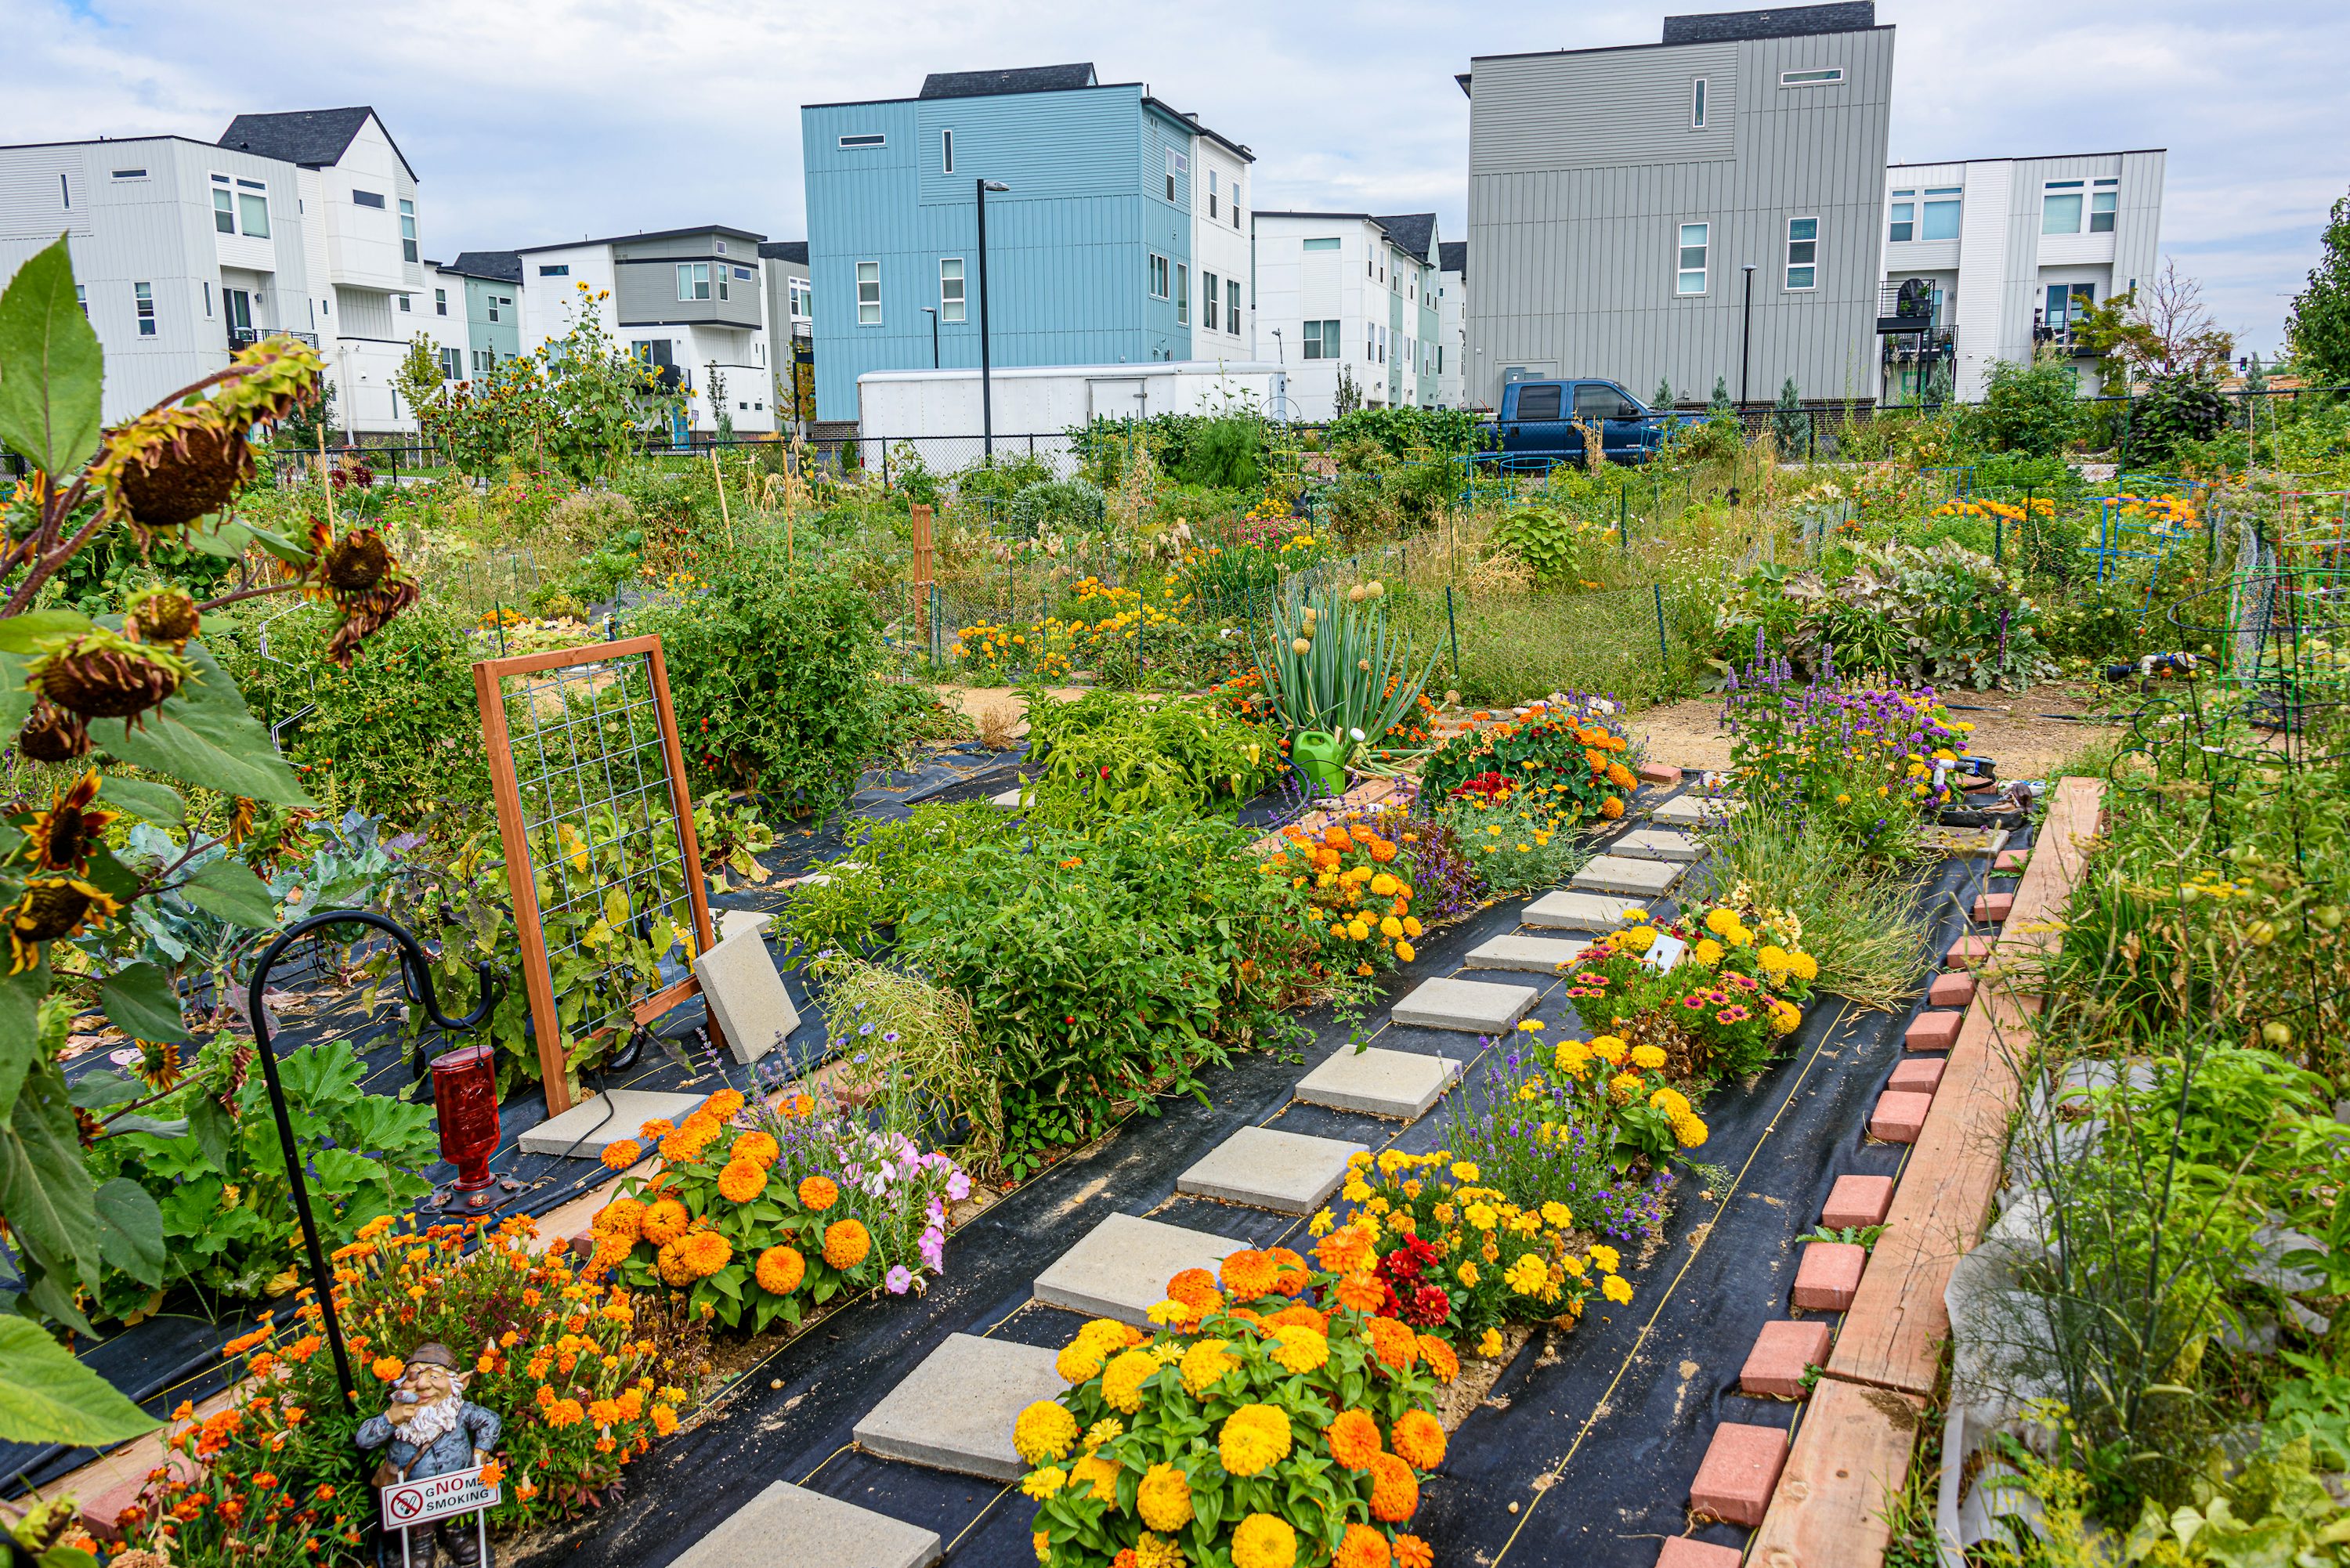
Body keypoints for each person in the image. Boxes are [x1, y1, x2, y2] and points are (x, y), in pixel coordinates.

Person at [356, 1342, 501, 1567]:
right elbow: (364, 1439)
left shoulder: (458, 1411)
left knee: (459, 1514)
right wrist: (389, 1419)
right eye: (415, 1375)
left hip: (456, 1489)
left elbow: (490, 1420)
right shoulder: (400, 1415)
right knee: (417, 1523)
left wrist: (481, 1451)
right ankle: (422, 1548)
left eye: (434, 1377)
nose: (422, 1385)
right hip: (414, 1493)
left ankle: (459, 1538)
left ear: (458, 1383)